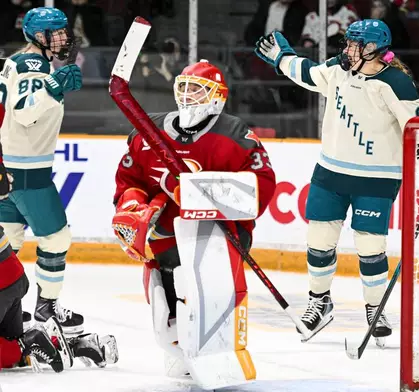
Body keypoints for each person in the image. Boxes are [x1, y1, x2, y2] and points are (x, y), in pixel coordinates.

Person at [254, 20, 419, 343]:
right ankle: (320, 302)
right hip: (331, 172)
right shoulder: (337, 70)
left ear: (372, 49)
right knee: (319, 241)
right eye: (346, 44)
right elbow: (309, 73)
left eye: (353, 45)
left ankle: (375, 307)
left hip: (377, 179)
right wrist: (282, 57)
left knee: (370, 247)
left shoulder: (396, 83)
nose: (346, 50)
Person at [112, 59, 276, 387]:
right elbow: (129, 179)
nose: (188, 96)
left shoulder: (236, 135)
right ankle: (177, 348)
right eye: (183, 87)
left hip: (220, 233)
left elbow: (260, 190)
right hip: (166, 234)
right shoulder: (148, 132)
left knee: (203, 286)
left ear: (217, 96)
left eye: (198, 89)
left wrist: (196, 192)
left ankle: (220, 352)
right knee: (164, 305)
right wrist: (132, 205)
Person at [0, 96, 117, 373]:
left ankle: (28, 341)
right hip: (10, 277)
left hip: (4, 282)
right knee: (8, 354)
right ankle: (69, 344)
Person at [0, 7, 84, 335]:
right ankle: (46, 308)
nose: (64, 38)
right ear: (39, 36)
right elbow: (24, 113)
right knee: (56, 237)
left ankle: (7, 310)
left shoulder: (21, 62)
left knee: (10, 240)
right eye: (57, 32)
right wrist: (53, 87)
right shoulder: (33, 64)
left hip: (10, 166)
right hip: (28, 171)